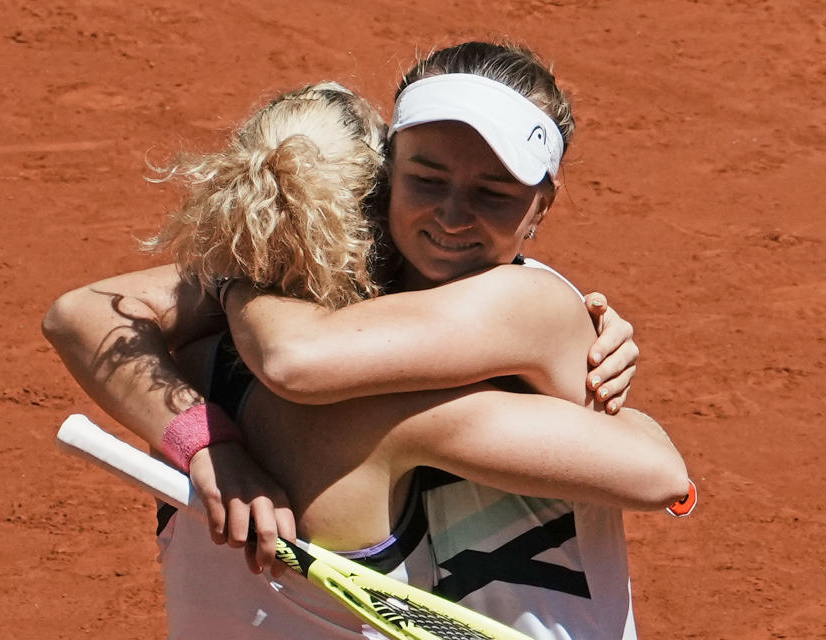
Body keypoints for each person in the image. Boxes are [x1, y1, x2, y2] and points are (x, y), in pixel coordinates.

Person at [43, 44, 688, 640]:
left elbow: (292, 359)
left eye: (493, 192)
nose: (453, 214)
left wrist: (236, 280)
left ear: (540, 206)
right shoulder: (344, 354)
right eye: (427, 179)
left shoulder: (528, 303)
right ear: (383, 180)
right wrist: (207, 444)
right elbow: (82, 313)